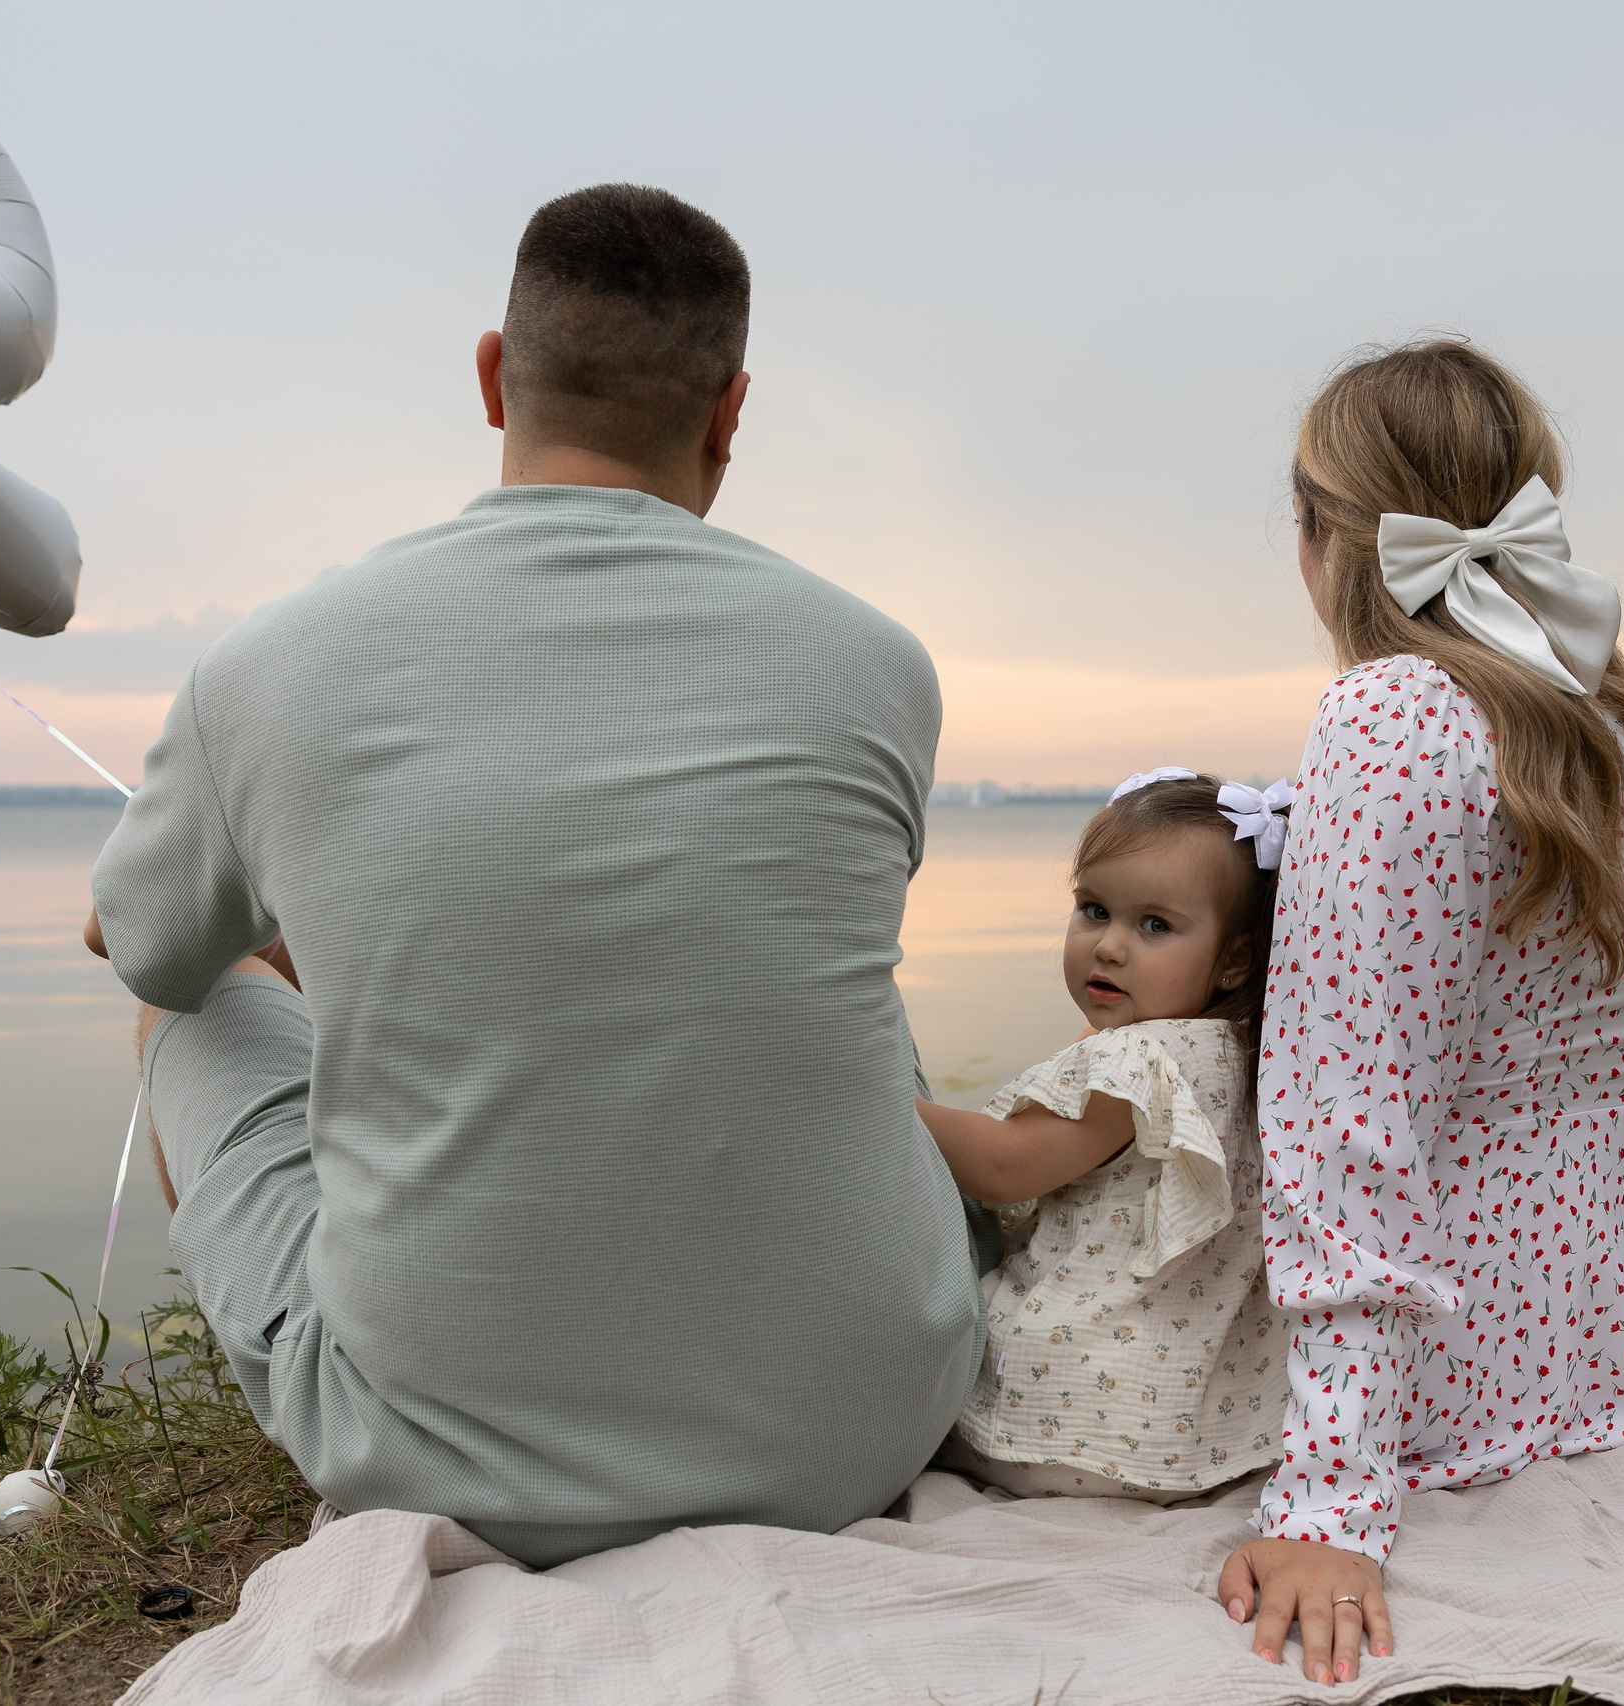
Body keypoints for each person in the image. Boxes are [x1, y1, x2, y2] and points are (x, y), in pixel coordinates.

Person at [81, 184, 985, 1568]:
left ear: (496, 377)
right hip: (861, 1431)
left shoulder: (266, 666)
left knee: (186, 1013)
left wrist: (284, 929)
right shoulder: (878, 662)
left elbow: (143, 948)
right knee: (826, 965)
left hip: (464, 1466)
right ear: (730, 410)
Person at [1217, 340, 1624, 1685]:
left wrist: (1331, 1500)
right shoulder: (1597, 725)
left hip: (1441, 1381)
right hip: (1621, 1349)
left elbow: (1347, 1111)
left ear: (1327, 540)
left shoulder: (1388, 718)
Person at [916, 769, 1295, 1501]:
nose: (1110, 946)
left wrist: (882, 1100)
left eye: (1155, 925)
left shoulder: (1139, 1061)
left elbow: (1003, 1165)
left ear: (1236, 959)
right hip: (1173, 1418)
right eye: (1094, 910)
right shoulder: (1236, 1054)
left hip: (1064, 1414)